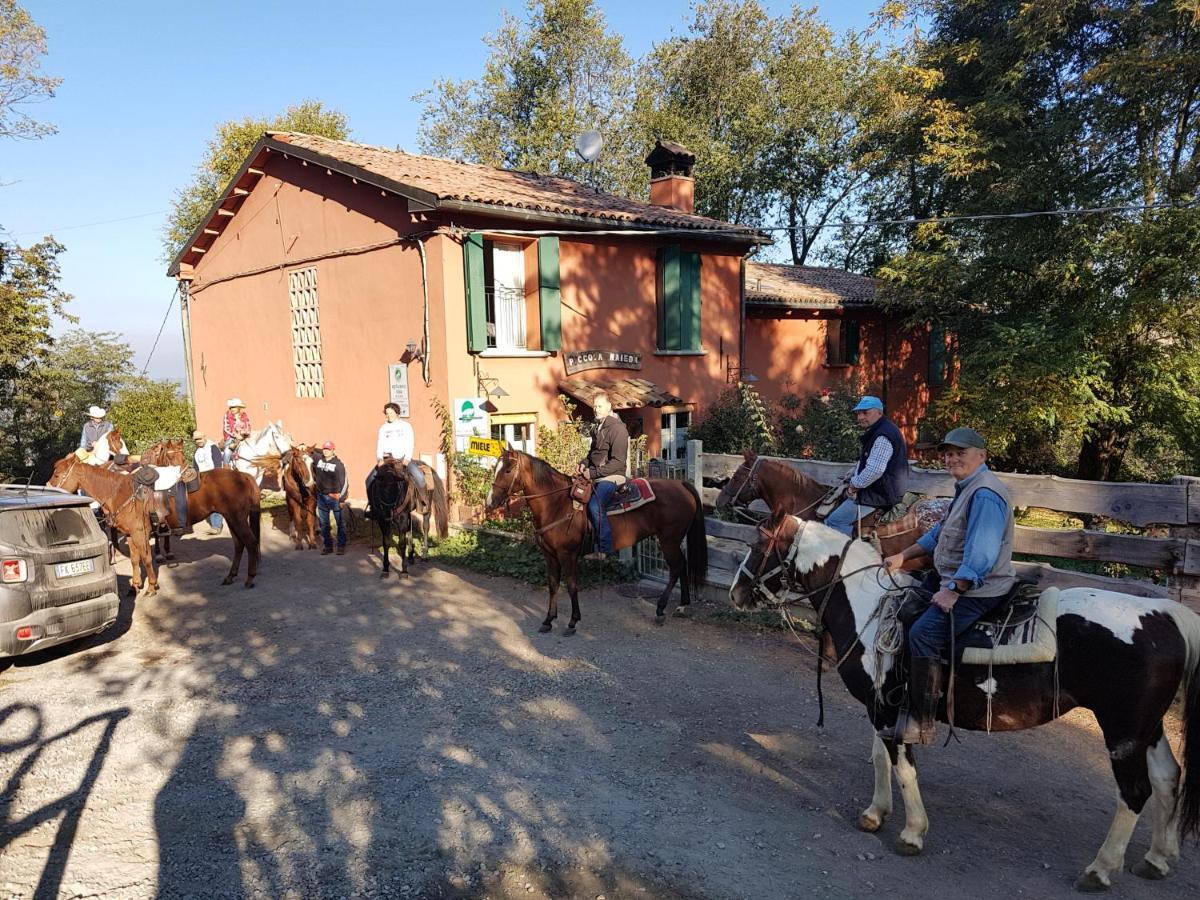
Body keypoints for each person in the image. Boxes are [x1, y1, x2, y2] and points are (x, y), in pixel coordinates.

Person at [882, 427, 1015, 744]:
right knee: (901, 605)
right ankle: (902, 690)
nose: (952, 458)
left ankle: (921, 722)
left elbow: (981, 555)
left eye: (960, 452)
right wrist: (902, 556)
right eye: (948, 453)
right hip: (950, 577)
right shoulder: (966, 488)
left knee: (923, 633)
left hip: (977, 589)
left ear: (981, 456)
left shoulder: (984, 494)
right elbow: (939, 534)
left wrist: (953, 591)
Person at [824, 395, 910, 537]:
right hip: (880, 489)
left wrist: (854, 485)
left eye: (865, 413)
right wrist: (852, 474)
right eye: (858, 413)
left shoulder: (883, 435)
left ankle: (848, 556)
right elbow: (868, 462)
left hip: (881, 494)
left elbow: (875, 470)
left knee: (835, 521)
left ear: (879, 413)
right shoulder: (881, 430)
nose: (860, 417)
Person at [577, 392, 628, 561]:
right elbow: (593, 454)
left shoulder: (618, 429)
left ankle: (604, 550)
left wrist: (592, 473)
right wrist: (584, 463)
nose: (596, 409)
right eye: (594, 406)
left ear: (609, 407)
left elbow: (618, 463)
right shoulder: (598, 427)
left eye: (599, 406)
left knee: (594, 505)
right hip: (597, 475)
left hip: (613, 476)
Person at [368, 402, 426, 494]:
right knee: (369, 480)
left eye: (391, 413)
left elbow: (410, 443)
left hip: (402, 459)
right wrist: (379, 458)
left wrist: (407, 459)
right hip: (387, 460)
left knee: (420, 478)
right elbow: (380, 445)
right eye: (387, 413)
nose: (389, 415)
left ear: (397, 412)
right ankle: (374, 506)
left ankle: (423, 503)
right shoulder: (383, 428)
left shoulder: (406, 426)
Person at [313, 440, 349, 556]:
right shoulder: (319, 460)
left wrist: (342, 499)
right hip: (321, 497)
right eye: (324, 449)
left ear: (333, 450)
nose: (326, 451)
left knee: (340, 523)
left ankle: (341, 546)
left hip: (334, 498)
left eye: (328, 449)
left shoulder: (338, 465)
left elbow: (344, 483)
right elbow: (309, 453)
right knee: (324, 524)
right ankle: (328, 546)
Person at [192, 430, 224, 535]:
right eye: (196, 440)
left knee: (215, 502)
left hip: (213, 477)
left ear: (204, 437)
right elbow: (196, 467)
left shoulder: (213, 447)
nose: (198, 441)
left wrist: (216, 479)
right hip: (202, 479)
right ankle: (215, 525)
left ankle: (217, 526)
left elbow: (217, 463)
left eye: (200, 439)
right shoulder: (196, 451)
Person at [222, 398, 252, 466]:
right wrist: (236, 435)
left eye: (234, 407)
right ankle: (226, 468)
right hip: (232, 438)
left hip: (244, 437)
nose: (232, 409)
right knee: (227, 452)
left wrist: (244, 433)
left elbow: (248, 426)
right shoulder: (227, 415)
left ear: (239, 408)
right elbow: (226, 428)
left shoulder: (244, 415)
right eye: (231, 407)